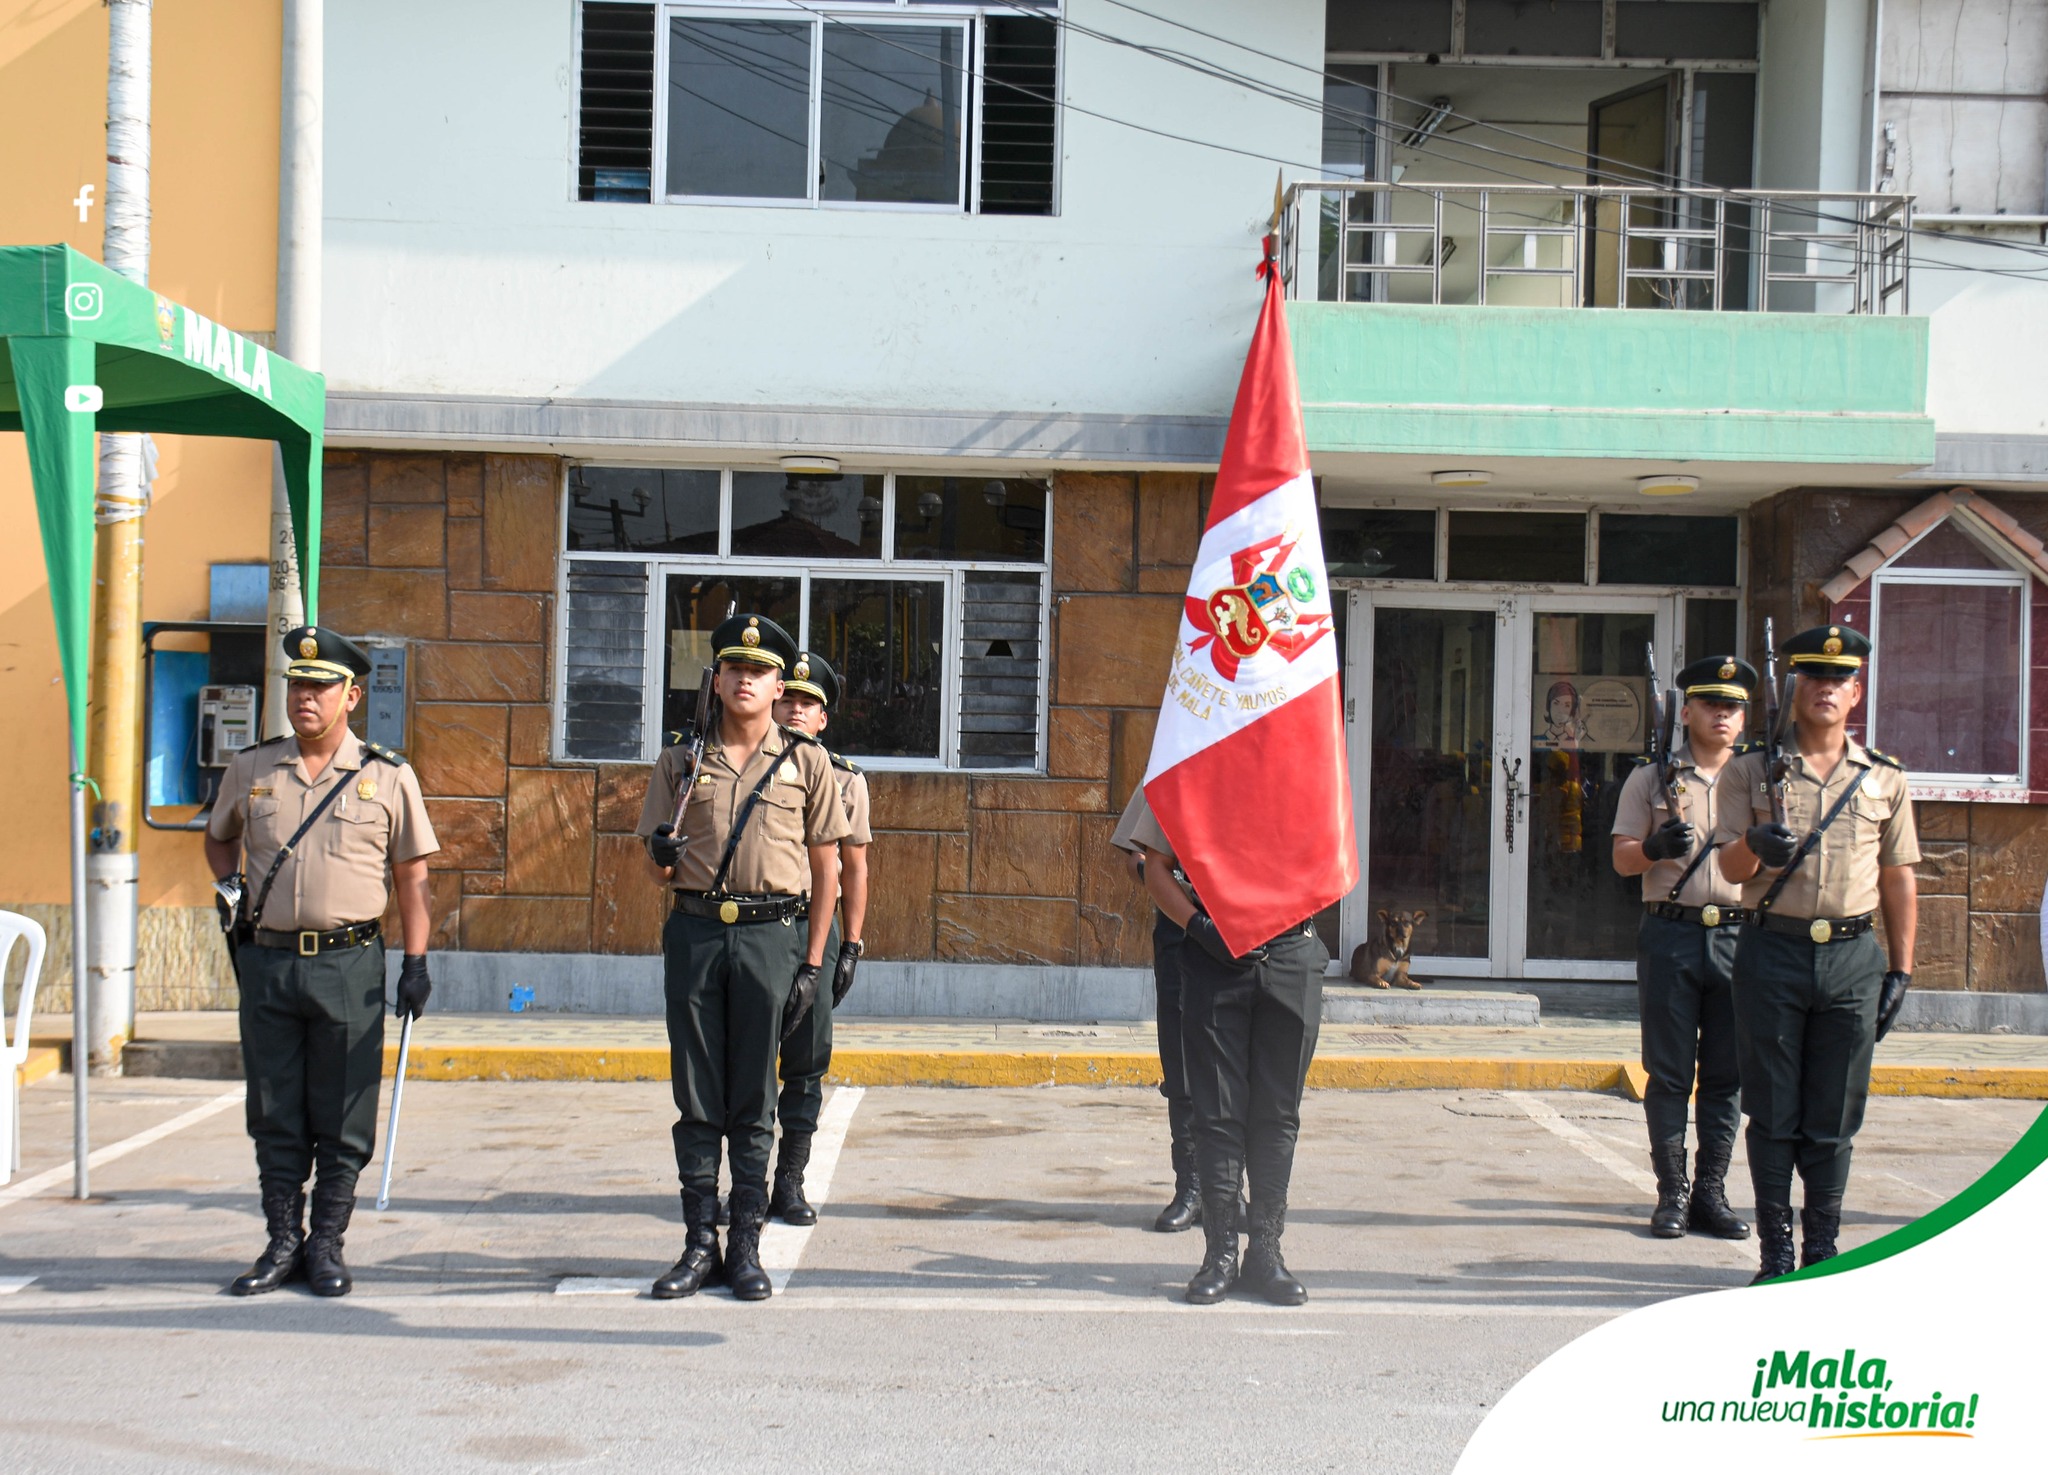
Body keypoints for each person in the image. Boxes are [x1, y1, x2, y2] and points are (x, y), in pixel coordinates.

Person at [204, 626, 439, 1298]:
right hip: (270, 962)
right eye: (296, 685)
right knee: (274, 1106)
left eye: (320, 686)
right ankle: (282, 1240)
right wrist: (229, 890)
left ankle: (328, 1244)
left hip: (348, 964)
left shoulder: (387, 775)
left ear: (352, 695)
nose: (305, 697)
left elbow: (413, 877)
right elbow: (219, 841)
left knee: (343, 1110)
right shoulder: (252, 768)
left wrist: (415, 962)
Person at [636, 614, 850, 1301]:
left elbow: (828, 872)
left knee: (755, 1096)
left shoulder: (806, 761)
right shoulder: (681, 758)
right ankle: (700, 1241)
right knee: (698, 1095)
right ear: (718, 678)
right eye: (733, 668)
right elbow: (654, 868)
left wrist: (814, 963)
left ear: (778, 682)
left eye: (759, 671)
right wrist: (659, 860)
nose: (745, 679)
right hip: (696, 933)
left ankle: (748, 1244)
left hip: (770, 938)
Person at [1716, 625, 1918, 1282]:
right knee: (1774, 1110)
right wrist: (1756, 845)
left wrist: (1901, 970)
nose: (1825, 689)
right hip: (1772, 951)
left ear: (1855, 692)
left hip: (1854, 958)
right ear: (1796, 688)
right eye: (1814, 678)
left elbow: (1898, 875)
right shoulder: (1752, 769)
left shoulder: (1884, 777)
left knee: (1835, 1113)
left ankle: (1822, 1250)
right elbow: (1728, 864)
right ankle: (1776, 1253)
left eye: (1839, 680)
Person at [1132, 801, 1327, 1305]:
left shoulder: (1305, 756)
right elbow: (1154, 865)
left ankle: (1265, 1253)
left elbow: (1334, 855)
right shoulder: (1199, 749)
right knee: (1217, 1113)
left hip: (1290, 954)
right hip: (1216, 956)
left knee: (1278, 1112)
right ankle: (1220, 1253)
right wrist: (1200, 927)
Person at [1611, 655, 1758, 1243]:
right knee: (1668, 1073)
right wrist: (1651, 848)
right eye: (1712, 703)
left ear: (1745, 717)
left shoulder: (1762, 779)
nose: (1723, 714)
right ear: (1688, 710)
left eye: (1734, 706)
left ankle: (1711, 1193)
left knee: (1727, 1075)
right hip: (1671, 931)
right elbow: (1621, 859)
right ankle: (1671, 1193)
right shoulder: (1651, 778)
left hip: (1740, 935)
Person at [766, 650, 870, 1226]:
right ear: (773, 700)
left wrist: (850, 944)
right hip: (760, 922)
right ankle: (751, 1181)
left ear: (824, 718)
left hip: (817, 925)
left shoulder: (845, 778)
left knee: (806, 1059)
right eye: (791, 699)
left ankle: (790, 1179)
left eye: (810, 704)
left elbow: (853, 868)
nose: (798, 711)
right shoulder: (741, 765)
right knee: (752, 1059)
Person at [1110, 787, 1199, 1233]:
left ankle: (1230, 1188)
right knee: (1181, 1060)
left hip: (1245, 932)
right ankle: (1191, 1186)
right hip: (1182, 932)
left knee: (1238, 1066)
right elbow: (1134, 858)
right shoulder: (1171, 765)